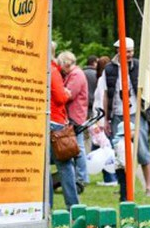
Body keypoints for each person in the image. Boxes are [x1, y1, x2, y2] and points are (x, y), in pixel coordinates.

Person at [100, 37, 150, 197]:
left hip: (136, 114)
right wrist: (106, 119)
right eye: (127, 52)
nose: (129, 55)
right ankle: (124, 188)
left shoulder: (139, 66)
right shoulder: (109, 69)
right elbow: (106, 94)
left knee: (142, 151)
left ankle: (149, 187)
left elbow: (148, 88)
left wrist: (147, 108)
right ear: (119, 51)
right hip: (118, 114)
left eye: (131, 52)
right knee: (120, 153)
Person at [49, 42, 79, 210]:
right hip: (57, 123)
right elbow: (60, 97)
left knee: (45, 167)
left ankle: (47, 206)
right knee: (66, 165)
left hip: (45, 121)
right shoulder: (53, 71)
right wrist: (66, 94)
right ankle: (73, 206)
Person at [57, 51, 89, 186]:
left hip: (75, 115)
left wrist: (58, 90)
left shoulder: (76, 75)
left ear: (66, 63)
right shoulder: (74, 74)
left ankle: (82, 177)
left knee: (78, 147)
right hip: (77, 114)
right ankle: (80, 175)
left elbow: (69, 94)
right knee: (77, 146)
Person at [92, 56, 118, 186]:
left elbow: (103, 99)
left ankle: (110, 177)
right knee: (102, 147)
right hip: (99, 117)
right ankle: (109, 176)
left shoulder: (103, 81)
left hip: (100, 118)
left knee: (105, 148)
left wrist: (101, 120)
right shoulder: (104, 79)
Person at [113, 121, 135, 201]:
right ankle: (124, 198)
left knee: (126, 183)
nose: (134, 132)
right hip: (122, 168)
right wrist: (126, 166)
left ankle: (127, 196)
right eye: (133, 130)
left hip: (125, 166)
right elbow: (122, 157)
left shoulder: (128, 142)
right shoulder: (122, 144)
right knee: (124, 184)